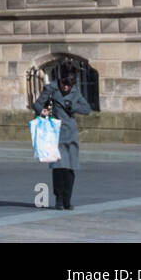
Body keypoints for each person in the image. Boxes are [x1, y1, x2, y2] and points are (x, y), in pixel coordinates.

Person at [32, 65, 92, 210]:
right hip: (55, 133)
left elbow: (87, 109)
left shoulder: (75, 92)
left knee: (70, 169)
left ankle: (67, 199)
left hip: (70, 134)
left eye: (69, 85)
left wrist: (73, 107)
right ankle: (58, 199)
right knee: (58, 168)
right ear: (60, 80)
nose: (66, 88)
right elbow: (37, 105)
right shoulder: (50, 89)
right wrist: (47, 114)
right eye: (64, 84)